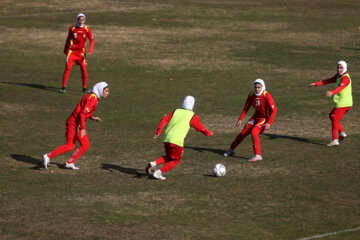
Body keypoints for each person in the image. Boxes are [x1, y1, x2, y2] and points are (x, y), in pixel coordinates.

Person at [43, 82, 109, 170]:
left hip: (76, 123)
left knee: (85, 145)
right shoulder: (92, 99)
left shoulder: (94, 98)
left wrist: (92, 118)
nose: (108, 93)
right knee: (70, 145)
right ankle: (48, 156)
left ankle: (69, 163)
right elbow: (82, 114)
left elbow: (84, 112)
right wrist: (83, 129)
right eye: (106, 91)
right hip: (74, 123)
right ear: (100, 90)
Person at [146, 96, 213, 180]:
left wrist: (158, 131)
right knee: (176, 160)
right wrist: (208, 133)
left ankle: (153, 163)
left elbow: (164, 119)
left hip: (167, 138)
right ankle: (158, 173)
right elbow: (200, 128)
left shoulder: (176, 111)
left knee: (169, 157)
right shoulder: (193, 116)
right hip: (177, 141)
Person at [224, 79, 277, 161]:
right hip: (255, 117)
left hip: (264, 118)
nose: (257, 89)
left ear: (263, 87)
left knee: (254, 132)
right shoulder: (252, 95)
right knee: (243, 133)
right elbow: (246, 108)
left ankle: (258, 155)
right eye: (255, 87)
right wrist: (240, 119)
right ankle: (230, 149)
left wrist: (269, 123)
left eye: (259, 87)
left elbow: (274, 110)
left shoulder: (266, 95)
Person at [308, 60, 353, 147]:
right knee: (331, 116)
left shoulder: (345, 78)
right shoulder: (339, 76)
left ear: (345, 68)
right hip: (342, 103)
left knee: (334, 118)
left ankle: (335, 140)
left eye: (341, 68)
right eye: (338, 67)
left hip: (344, 103)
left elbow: (340, 88)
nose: (339, 69)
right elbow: (328, 80)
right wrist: (315, 84)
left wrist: (332, 92)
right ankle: (342, 133)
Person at [61, 13, 94, 94]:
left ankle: (84, 88)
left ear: (84, 20)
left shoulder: (87, 29)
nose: (81, 21)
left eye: (82, 20)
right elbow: (68, 39)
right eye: (80, 20)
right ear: (77, 20)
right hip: (72, 52)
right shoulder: (72, 28)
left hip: (81, 53)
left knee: (83, 69)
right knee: (68, 68)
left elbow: (92, 40)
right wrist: (65, 50)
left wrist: (90, 50)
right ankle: (63, 87)